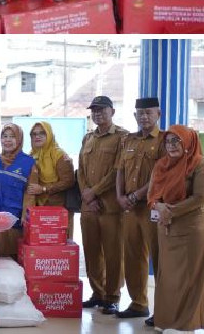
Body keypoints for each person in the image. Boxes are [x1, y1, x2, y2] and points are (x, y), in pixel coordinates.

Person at [147, 125, 204, 332]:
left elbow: (201, 197)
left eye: (177, 141)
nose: (172, 145)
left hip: (192, 229)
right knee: (168, 277)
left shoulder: (200, 164)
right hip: (167, 228)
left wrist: (171, 211)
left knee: (189, 278)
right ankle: (165, 321)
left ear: (188, 142)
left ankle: (185, 325)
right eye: (168, 141)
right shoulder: (161, 165)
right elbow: (152, 195)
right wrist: (159, 206)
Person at [114, 97, 163, 320]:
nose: (144, 117)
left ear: (158, 114)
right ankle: (138, 303)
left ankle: (163, 309)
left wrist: (136, 195)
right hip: (129, 207)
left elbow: (160, 175)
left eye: (148, 113)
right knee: (132, 255)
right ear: (134, 116)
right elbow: (120, 171)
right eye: (140, 113)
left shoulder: (164, 141)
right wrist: (120, 196)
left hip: (152, 206)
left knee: (159, 257)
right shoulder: (128, 140)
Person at [78, 95, 128, 314]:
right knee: (91, 252)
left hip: (110, 207)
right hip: (89, 206)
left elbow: (117, 171)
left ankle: (112, 296)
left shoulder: (122, 137)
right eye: (94, 111)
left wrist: (94, 192)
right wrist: (86, 195)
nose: (97, 114)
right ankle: (97, 293)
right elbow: (80, 169)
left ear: (112, 112)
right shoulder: (87, 138)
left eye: (102, 110)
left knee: (113, 252)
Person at [0, 124, 37, 257]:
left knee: (9, 261)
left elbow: (30, 193)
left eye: (12, 137)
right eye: (4, 136)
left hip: (12, 221)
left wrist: (25, 215)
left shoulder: (28, 163)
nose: (7, 140)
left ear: (19, 140)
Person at [27, 121, 75, 237]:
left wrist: (43, 189)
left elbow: (68, 181)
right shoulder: (31, 155)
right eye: (34, 134)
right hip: (37, 208)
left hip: (58, 207)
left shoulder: (59, 155)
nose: (37, 136)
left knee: (57, 245)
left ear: (49, 135)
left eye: (42, 133)